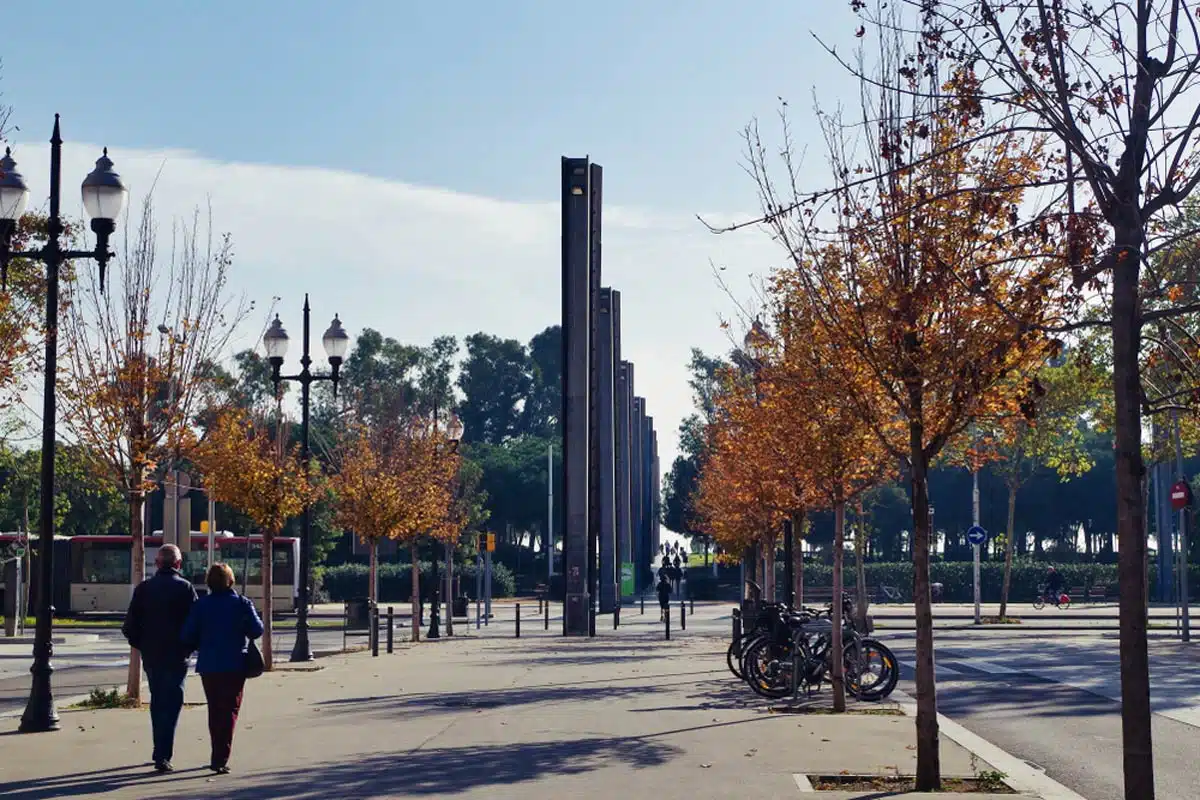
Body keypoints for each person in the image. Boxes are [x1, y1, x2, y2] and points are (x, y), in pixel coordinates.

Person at [121, 544, 197, 773]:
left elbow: (129, 626)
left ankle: (159, 750)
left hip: (153, 655)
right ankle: (164, 754)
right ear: (178, 564)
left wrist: (143, 645)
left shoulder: (144, 588)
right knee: (172, 703)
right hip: (177, 655)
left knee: (158, 701)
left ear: (157, 564)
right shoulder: (185, 588)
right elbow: (194, 624)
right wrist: (188, 647)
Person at [182, 563, 264, 774]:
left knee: (215, 708)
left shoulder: (201, 605)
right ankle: (220, 756)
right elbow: (257, 630)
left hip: (209, 665)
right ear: (231, 580)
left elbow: (187, 634)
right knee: (230, 710)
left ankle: (216, 751)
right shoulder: (241, 603)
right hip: (235, 664)